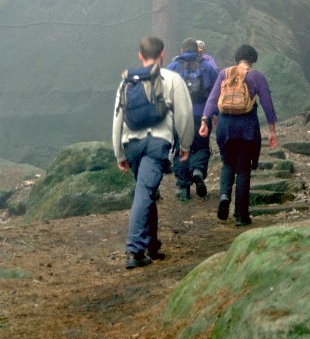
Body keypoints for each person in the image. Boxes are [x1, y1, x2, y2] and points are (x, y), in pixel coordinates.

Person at [112, 36, 194, 270]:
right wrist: (185, 145)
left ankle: (151, 244)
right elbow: (185, 116)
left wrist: (119, 153)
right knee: (145, 190)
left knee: (147, 190)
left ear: (140, 55)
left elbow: (118, 118)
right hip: (157, 143)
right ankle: (134, 250)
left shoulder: (127, 81)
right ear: (163, 55)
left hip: (132, 144)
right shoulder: (172, 79)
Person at [199, 44, 278, 226]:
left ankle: (225, 195)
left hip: (225, 125)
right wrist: (272, 130)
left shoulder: (224, 74)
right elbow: (267, 103)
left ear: (237, 58)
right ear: (253, 59)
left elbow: (212, 99)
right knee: (243, 170)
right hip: (247, 127)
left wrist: (205, 120)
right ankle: (241, 215)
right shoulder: (257, 76)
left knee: (227, 164)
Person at [167, 38, 218, 200]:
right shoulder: (207, 67)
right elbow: (215, 94)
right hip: (201, 115)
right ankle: (197, 170)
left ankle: (183, 188)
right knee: (201, 147)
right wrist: (215, 114)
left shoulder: (173, 67)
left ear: (181, 51)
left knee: (181, 149)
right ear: (198, 50)